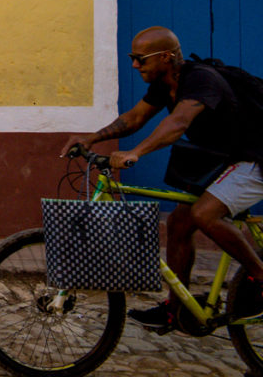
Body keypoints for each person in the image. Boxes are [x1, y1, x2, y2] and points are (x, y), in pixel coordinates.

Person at [62, 26, 263, 331]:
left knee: (204, 213)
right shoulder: (164, 84)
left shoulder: (200, 80)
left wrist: (137, 152)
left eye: (140, 59)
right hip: (229, 159)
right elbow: (134, 117)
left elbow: (179, 122)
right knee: (179, 223)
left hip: (256, 158)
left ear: (166, 57)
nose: (134, 65)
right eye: (133, 58)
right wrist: (91, 139)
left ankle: (260, 279)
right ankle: (177, 310)